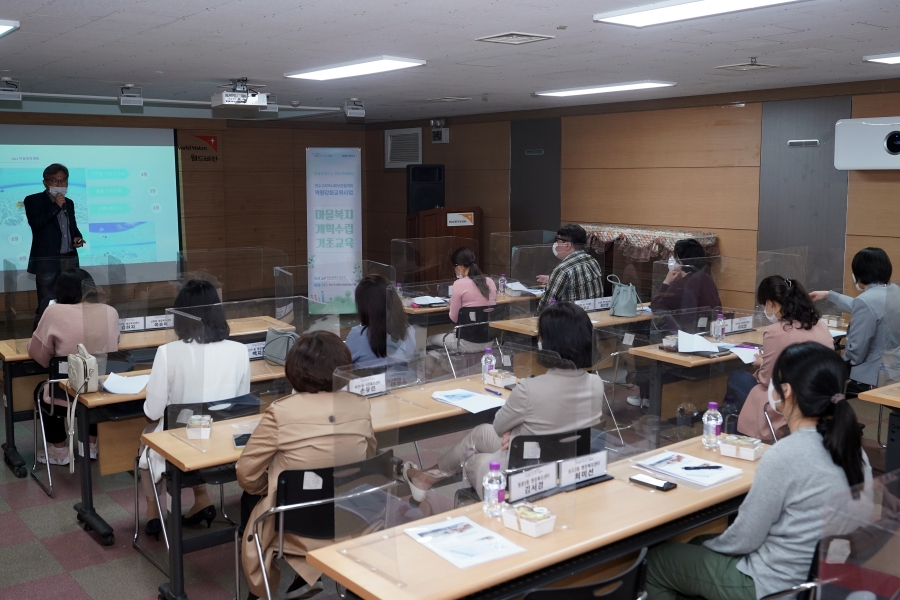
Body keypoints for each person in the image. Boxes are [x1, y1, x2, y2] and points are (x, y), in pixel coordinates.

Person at [645, 342, 872, 600]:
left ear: (785, 392)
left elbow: (744, 539)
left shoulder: (784, 455)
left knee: (658, 560)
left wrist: (707, 544)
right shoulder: (852, 448)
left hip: (772, 584)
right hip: (824, 581)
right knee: (695, 545)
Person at [404, 302, 604, 499]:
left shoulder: (529, 389)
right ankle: (425, 477)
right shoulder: (596, 384)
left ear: (548, 343)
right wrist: (517, 431)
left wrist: (514, 432)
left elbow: (500, 426)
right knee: (481, 432)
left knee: (473, 460)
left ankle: (429, 479)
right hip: (568, 467)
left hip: (523, 476)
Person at [237, 331, 375, 600]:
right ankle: (308, 578)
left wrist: (272, 486)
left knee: (249, 500)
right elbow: (369, 456)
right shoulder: (360, 406)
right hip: (350, 515)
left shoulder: (282, 411)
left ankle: (260, 593)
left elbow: (246, 473)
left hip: (294, 522)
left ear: (293, 370)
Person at [140, 280, 251, 540]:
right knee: (196, 426)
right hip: (225, 444)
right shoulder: (240, 350)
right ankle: (201, 499)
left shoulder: (168, 352)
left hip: (184, 442)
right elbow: (243, 405)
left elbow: (154, 411)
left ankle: (153, 511)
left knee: (146, 436)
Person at [28, 268, 119, 465]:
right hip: (103, 389)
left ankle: (59, 451)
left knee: (43, 389)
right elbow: (114, 346)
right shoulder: (109, 311)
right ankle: (91, 446)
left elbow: (40, 356)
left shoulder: (53, 312)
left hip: (67, 394)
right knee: (92, 386)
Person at [729, 276, 833, 439]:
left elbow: (766, 379)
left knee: (736, 377)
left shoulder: (775, 332)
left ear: (770, 303)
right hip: (821, 398)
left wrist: (761, 363)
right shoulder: (820, 325)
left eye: (763, 306)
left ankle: (738, 436)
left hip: (789, 401)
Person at [810, 247, 900, 395]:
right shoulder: (895, 291)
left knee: (816, 381)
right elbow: (867, 307)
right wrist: (829, 295)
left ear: (859, 273)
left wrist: (835, 363)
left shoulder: (865, 301)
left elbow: (856, 354)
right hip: (894, 369)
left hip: (872, 376)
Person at [25, 164, 86, 307]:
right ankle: (44, 330)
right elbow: (36, 224)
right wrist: (56, 206)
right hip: (47, 261)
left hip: (69, 259)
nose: (60, 184)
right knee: (47, 302)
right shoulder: (33, 200)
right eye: (55, 180)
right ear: (45, 182)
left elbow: (73, 227)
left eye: (63, 180)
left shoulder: (69, 203)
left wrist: (77, 237)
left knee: (72, 300)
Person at [426, 247, 497, 352]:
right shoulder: (490, 281)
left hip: (465, 342)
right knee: (443, 350)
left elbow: (454, 318)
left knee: (429, 340)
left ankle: (426, 367)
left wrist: (452, 303)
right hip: (489, 340)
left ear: (458, 266)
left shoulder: (459, 284)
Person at [345, 274, 416, 365]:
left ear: (363, 307)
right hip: (399, 378)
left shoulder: (359, 335)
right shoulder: (409, 331)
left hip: (367, 379)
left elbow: (342, 365)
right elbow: (409, 358)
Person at [536, 224, 604, 312]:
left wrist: (537, 318)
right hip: (590, 318)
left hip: (569, 320)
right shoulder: (592, 261)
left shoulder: (562, 269)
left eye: (557, 241)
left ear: (567, 245)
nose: (555, 244)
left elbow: (547, 303)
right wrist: (553, 279)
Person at [651, 238, 721, 312]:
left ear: (681, 260)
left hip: (685, 323)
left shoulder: (680, 285)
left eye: (675, 256)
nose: (672, 258)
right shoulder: (707, 278)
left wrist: (666, 282)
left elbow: (656, 307)